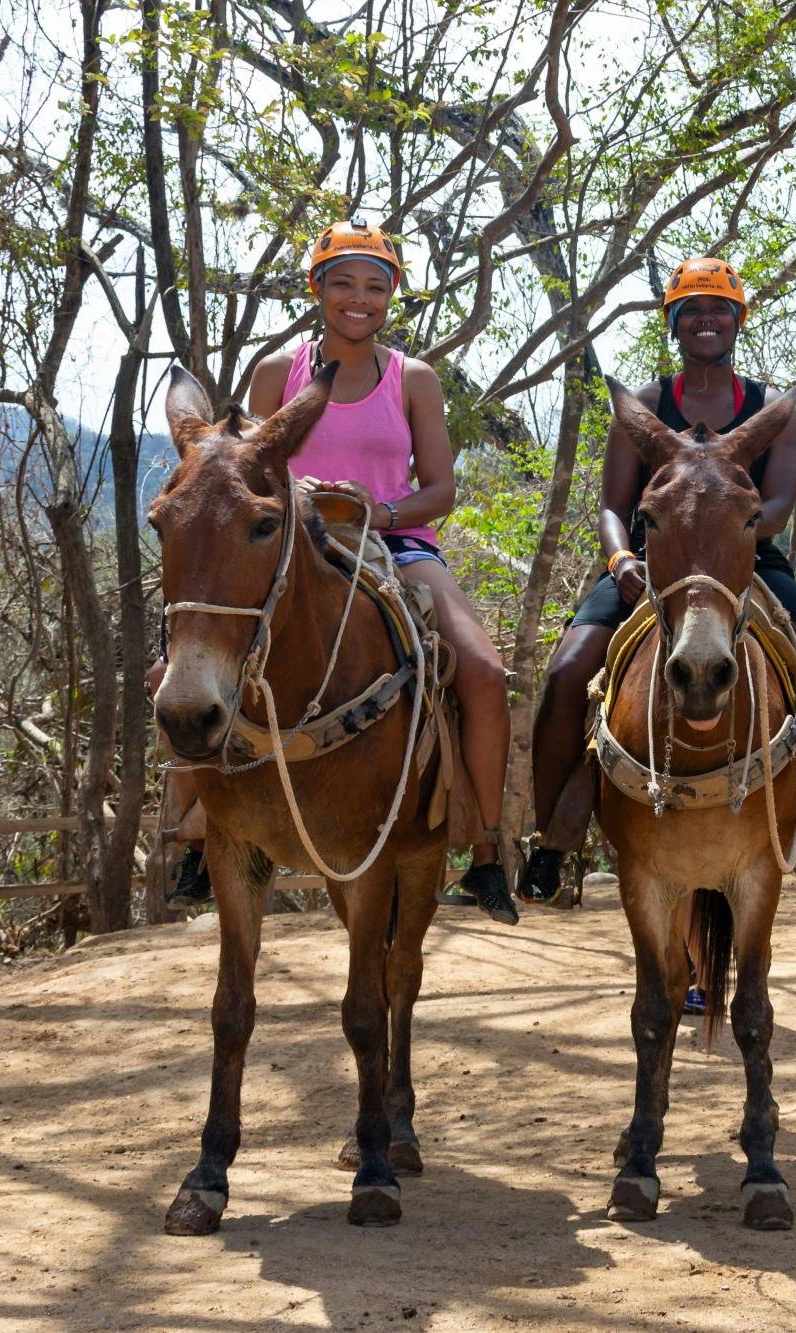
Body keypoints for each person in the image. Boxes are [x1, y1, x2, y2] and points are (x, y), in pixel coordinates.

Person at [513, 256, 796, 930]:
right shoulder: (647, 404)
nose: (706, 320)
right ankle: (552, 839)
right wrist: (621, 558)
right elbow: (612, 507)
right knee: (568, 671)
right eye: (692, 310)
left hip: (744, 559)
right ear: (674, 323)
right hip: (650, 561)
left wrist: (725, 526)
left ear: (738, 320)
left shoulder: (769, 408)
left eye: (719, 308)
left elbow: (777, 504)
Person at [163, 219, 521, 924]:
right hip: (294, 546)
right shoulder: (278, 371)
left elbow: (441, 489)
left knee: (481, 670)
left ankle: (484, 847)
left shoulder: (413, 379)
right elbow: (244, 473)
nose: (359, 299)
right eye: (344, 284)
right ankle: (198, 838)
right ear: (317, 289)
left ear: (391, 297)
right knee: (171, 670)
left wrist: (382, 511)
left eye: (375, 287)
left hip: (396, 543)